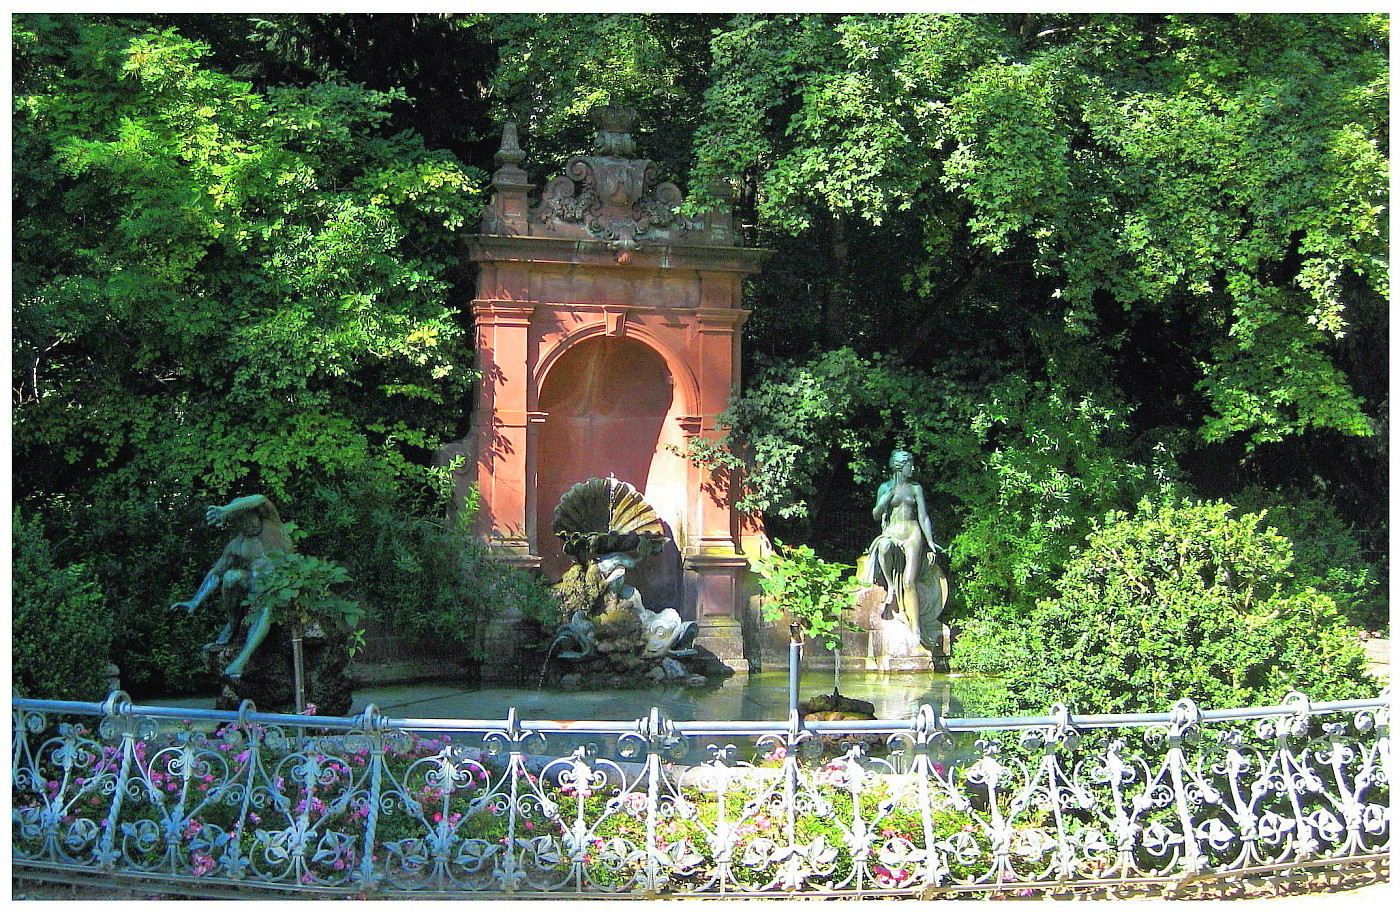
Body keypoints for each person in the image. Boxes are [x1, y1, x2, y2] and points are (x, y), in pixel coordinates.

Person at [170, 495, 291, 679]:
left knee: (267, 605)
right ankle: (233, 624)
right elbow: (216, 573)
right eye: (239, 519)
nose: (244, 523)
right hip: (254, 590)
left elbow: (261, 499)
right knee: (231, 576)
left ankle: (240, 661)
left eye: (245, 516)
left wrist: (226, 509)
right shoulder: (238, 544)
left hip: (278, 590)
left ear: (255, 514)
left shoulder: (272, 527)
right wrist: (194, 602)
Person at [863, 450, 942, 631]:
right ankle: (890, 586)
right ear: (899, 467)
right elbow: (876, 515)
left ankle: (916, 627)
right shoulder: (885, 488)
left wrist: (930, 542)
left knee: (909, 581)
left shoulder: (915, 489)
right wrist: (882, 502)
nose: (913, 469)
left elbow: (923, 517)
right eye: (909, 466)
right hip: (892, 531)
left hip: (912, 532)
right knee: (883, 546)